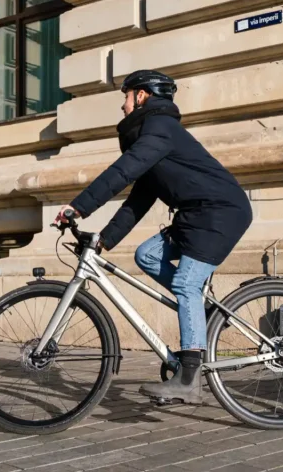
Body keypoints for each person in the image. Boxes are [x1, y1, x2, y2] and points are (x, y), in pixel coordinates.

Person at [55, 70, 253, 404]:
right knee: (146, 254)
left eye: (126, 96)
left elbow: (122, 172)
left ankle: (189, 379)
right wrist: (104, 239)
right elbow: (139, 199)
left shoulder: (160, 129)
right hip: (197, 215)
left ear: (142, 95)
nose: (122, 106)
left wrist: (78, 207)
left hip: (218, 214)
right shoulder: (154, 136)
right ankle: (204, 312)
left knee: (185, 284)